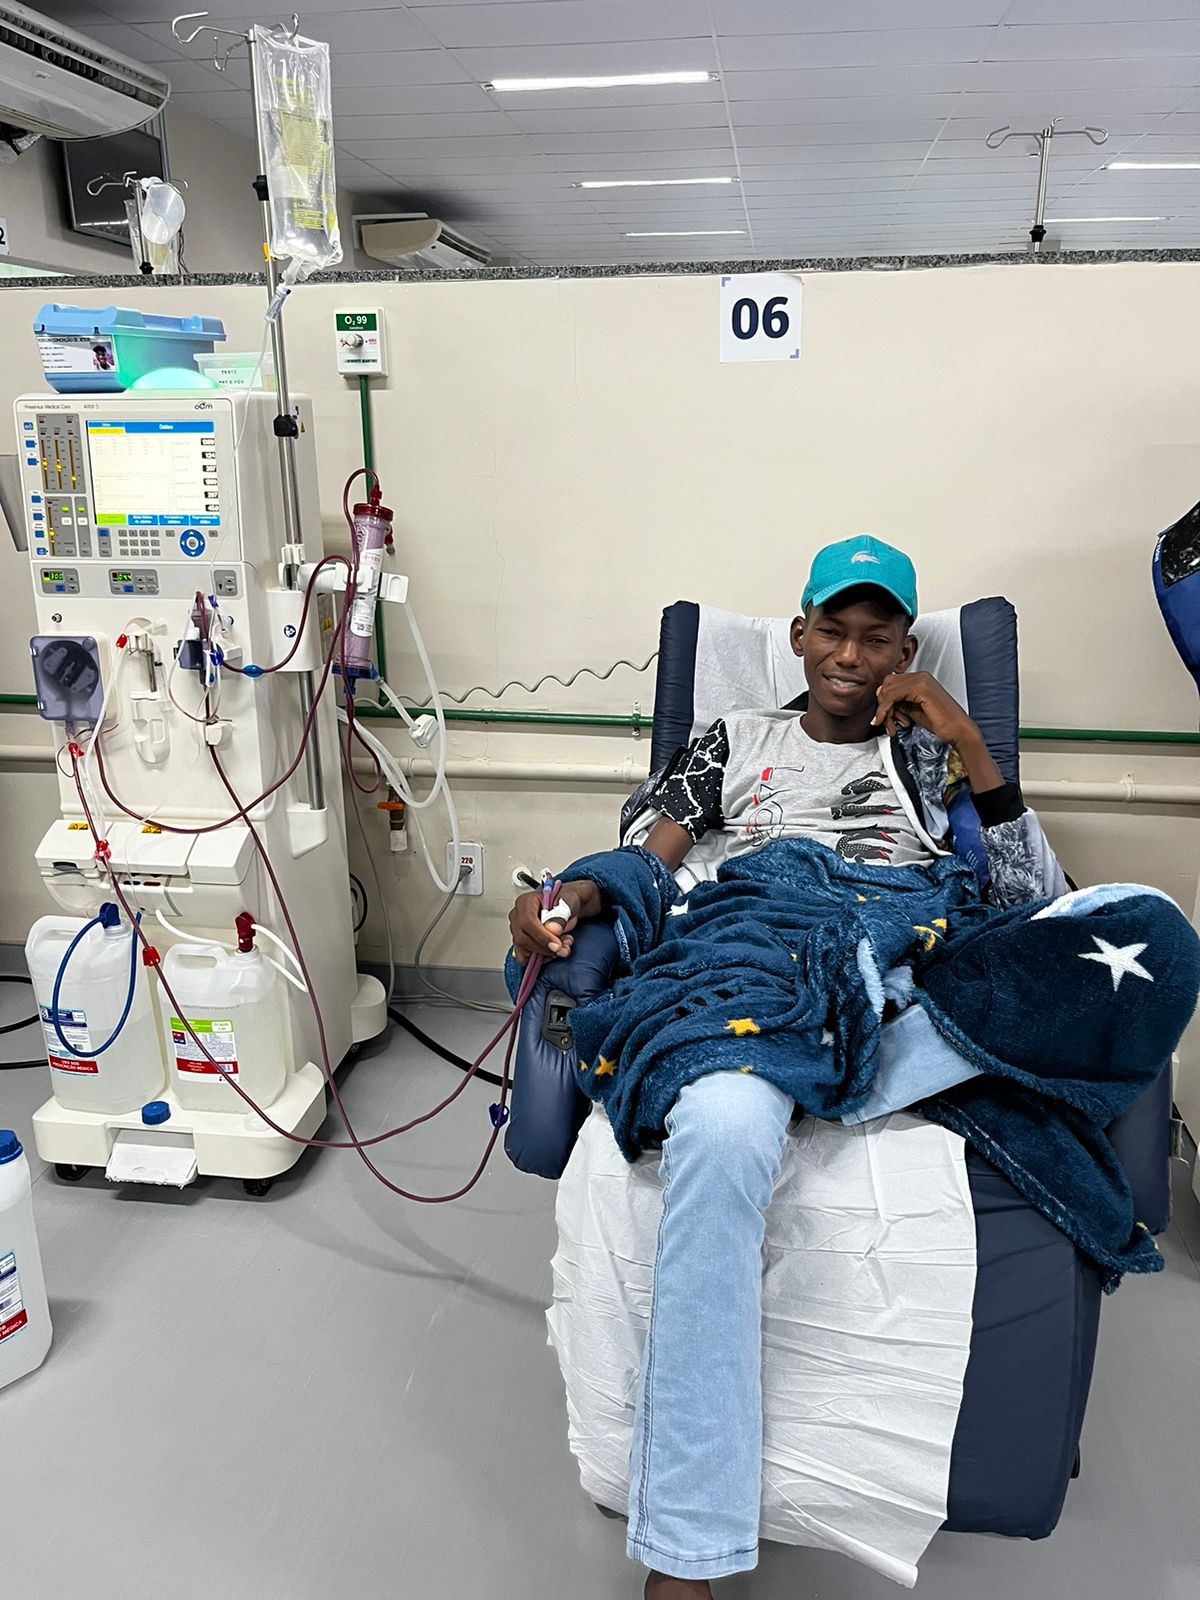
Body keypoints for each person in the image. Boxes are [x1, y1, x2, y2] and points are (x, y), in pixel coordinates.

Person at [509, 536, 1065, 1599]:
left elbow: (1025, 902)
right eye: (833, 632)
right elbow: (645, 863)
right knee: (723, 1124)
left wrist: (967, 740)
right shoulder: (732, 741)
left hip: (885, 950)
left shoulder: (931, 759)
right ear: (800, 634)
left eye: (878, 638)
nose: (852, 656)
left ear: (906, 651)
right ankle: (686, 1550)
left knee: (1132, 939)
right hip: (756, 951)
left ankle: (864, 1055)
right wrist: (572, 897)